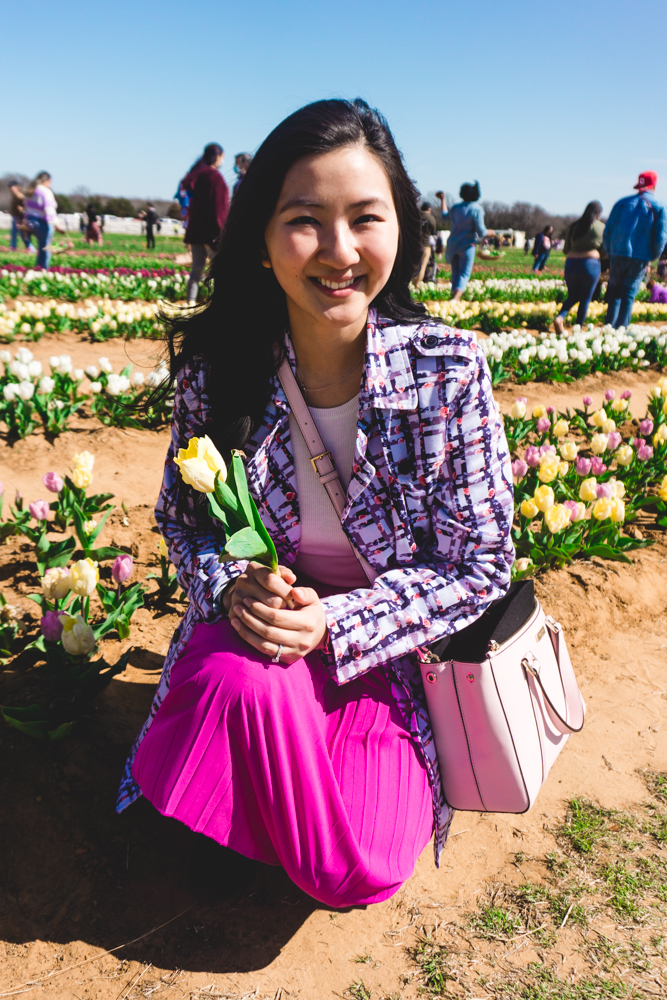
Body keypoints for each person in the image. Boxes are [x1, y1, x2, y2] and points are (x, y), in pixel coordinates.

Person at [117, 98, 514, 908]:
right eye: (304, 221)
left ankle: (246, 807)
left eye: (364, 218)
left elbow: (479, 566)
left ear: (400, 230)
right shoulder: (218, 371)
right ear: (263, 243)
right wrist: (232, 588)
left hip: (384, 659)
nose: (339, 251)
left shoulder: (446, 373)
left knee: (361, 868)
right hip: (258, 646)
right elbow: (184, 523)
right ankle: (246, 799)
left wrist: (335, 621)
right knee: (238, 688)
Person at [603, 171, 667, 329]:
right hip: (639, 256)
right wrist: (653, 256)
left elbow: (608, 230)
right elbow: (660, 237)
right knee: (628, 296)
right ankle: (620, 332)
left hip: (617, 254)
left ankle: (608, 330)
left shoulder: (622, 203)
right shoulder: (658, 206)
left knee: (614, 295)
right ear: (654, 185)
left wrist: (610, 251)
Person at [183, 142, 230, 305]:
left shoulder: (196, 175)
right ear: (217, 157)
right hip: (211, 233)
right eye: (222, 157)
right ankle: (219, 304)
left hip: (195, 232)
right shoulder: (215, 178)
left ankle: (190, 302)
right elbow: (219, 209)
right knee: (220, 272)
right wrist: (221, 232)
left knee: (196, 271)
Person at [436, 183, 495, 299]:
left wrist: (443, 200)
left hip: (453, 244)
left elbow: (444, 216)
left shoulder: (456, 207)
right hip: (467, 245)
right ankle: (456, 298)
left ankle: (454, 298)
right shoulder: (477, 209)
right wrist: (491, 233)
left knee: (455, 272)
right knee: (464, 273)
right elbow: (481, 232)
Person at [553, 202, 604, 334]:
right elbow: (605, 251)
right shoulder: (601, 227)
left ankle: (560, 317)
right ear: (598, 214)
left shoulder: (574, 226)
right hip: (590, 264)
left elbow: (566, 249)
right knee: (585, 298)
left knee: (573, 296)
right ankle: (578, 328)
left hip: (571, 263)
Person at [23, 172, 63, 270]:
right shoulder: (45, 191)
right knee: (46, 248)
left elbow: (26, 208)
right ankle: (43, 269)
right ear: (47, 181)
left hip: (31, 222)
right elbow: (49, 210)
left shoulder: (31, 190)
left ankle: (39, 267)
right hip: (43, 222)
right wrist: (56, 224)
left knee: (41, 247)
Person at [416, 202, 437, 284]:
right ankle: (417, 285)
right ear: (429, 209)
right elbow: (433, 231)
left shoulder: (416, 217)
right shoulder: (431, 218)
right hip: (426, 244)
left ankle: (412, 284)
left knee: (415, 266)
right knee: (423, 266)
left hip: (415, 244)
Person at [8, 181, 32, 251]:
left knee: (22, 234)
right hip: (15, 217)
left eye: (12, 187)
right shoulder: (15, 195)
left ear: (17, 187)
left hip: (19, 217)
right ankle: (13, 247)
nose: (10, 188)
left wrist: (22, 210)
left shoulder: (19, 196)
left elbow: (25, 205)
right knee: (14, 233)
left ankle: (30, 248)